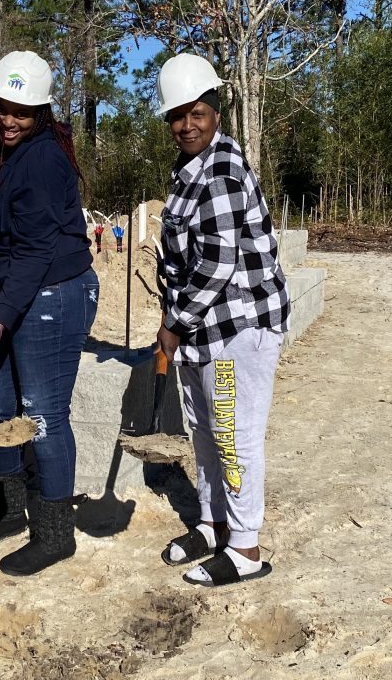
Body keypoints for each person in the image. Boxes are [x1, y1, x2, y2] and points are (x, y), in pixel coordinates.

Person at [0, 50, 99, 576]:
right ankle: (10, 507)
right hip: (20, 290)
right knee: (2, 402)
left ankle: (55, 535)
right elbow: (0, 226)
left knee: (41, 415)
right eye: (2, 107)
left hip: (55, 294)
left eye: (22, 110)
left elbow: (38, 252)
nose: (9, 119)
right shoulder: (1, 156)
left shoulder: (41, 159)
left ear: (40, 112)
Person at [154, 52, 290, 587]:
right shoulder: (190, 170)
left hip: (237, 327)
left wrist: (173, 321)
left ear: (216, 111)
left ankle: (246, 547)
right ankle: (212, 524)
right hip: (204, 330)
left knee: (234, 437)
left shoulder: (223, 169)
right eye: (177, 115)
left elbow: (218, 264)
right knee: (207, 432)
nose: (187, 124)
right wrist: (176, 317)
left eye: (198, 113)